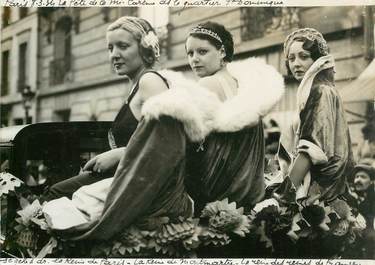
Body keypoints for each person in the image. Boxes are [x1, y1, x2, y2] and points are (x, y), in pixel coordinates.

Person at [43, 16, 203, 244]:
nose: (114, 55)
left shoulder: (150, 81)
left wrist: (120, 154)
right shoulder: (136, 85)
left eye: (123, 46)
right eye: (110, 48)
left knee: (55, 194)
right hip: (128, 173)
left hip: (141, 182)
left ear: (145, 48)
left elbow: (172, 141)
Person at [185, 22, 284, 216]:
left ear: (222, 52)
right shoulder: (245, 88)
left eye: (202, 52)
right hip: (248, 201)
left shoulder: (206, 84)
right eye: (190, 53)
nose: (194, 60)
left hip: (215, 201)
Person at [273, 28, 355, 203]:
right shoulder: (323, 89)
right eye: (291, 58)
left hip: (319, 192)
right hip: (326, 189)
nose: (296, 64)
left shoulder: (319, 91)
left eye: (304, 56)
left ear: (317, 60)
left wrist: (283, 195)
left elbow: (311, 148)